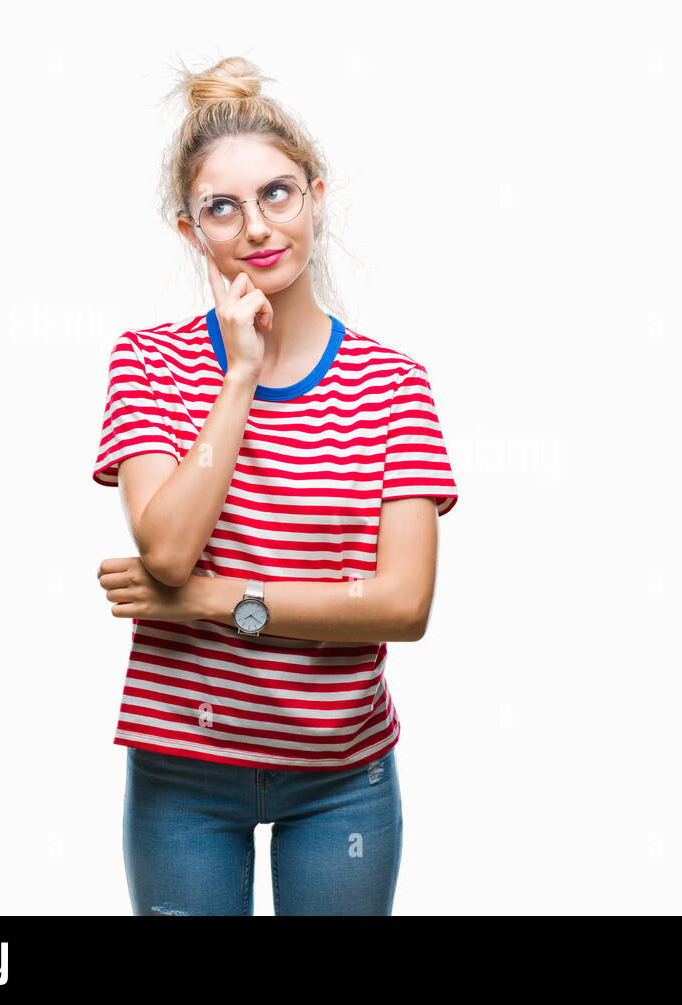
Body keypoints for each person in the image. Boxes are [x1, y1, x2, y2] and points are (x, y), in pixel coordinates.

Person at [91, 55, 458, 916]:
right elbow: (168, 547)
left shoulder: (396, 383)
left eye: (279, 194)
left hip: (342, 779)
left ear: (317, 198)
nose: (257, 227)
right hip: (183, 775)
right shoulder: (146, 363)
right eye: (223, 206)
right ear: (191, 231)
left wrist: (214, 601)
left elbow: (404, 605)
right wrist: (241, 375)